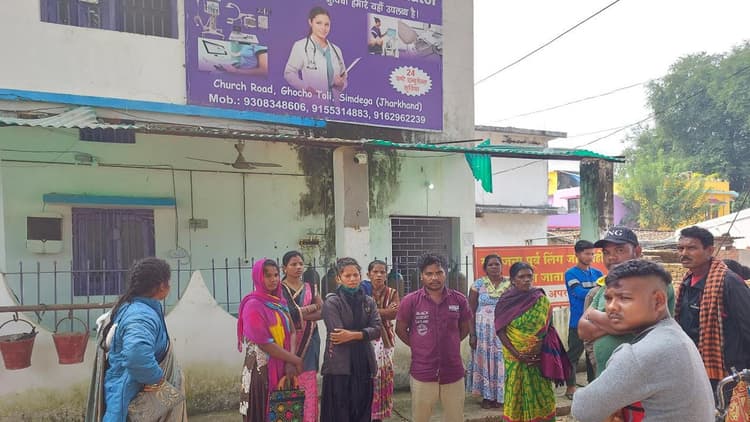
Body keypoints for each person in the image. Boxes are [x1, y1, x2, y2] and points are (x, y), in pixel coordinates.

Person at [572, 259, 715, 421]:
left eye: (624, 298)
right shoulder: (674, 335)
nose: (611, 307)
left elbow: (583, 409)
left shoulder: (642, 353)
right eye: (609, 298)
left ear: (658, 301)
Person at [86, 257, 187, 422]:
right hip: (131, 398)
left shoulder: (135, 308)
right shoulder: (141, 315)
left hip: (127, 394)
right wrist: (157, 380)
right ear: (162, 285)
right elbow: (136, 355)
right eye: (168, 282)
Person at [578, 227, 676, 377]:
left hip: (641, 375)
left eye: (619, 250)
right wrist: (618, 323)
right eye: (606, 252)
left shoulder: (655, 282)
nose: (611, 257)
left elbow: (630, 323)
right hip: (606, 374)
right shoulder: (606, 287)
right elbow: (582, 330)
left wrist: (593, 316)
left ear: (637, 251)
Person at [395, 253, 472, 422]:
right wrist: (418, 344)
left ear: (445, 273)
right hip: (423, 371)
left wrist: (450, 343)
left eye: (439, 273)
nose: (434, 278)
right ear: (421, 276)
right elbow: (400, 329)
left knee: (455, 417)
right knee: (420, 417)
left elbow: (465, 328)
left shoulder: (459, 300)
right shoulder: (410, 301)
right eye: (429, 274)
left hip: (453, 371)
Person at [675, 226, 750, 393]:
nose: (684, 253)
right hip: (695, 367)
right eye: (680, 248)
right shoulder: (686, 282)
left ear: (709, 250)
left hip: (727, 373)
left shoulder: (729, 282)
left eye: (691, 248)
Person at [237, 259, 302, 421]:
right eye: (267, 276)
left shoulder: (280, 302)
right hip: (262, 370)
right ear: (258, 277)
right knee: (263, 412)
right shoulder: (253, 305)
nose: (273, 279)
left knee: (283, 412)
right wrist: (294, 359)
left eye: (276, 275)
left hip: (283, 366)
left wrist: (290, 361)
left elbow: (292, 332)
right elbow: (264, 343)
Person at [320, 257, 382, 422]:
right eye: (347, 276)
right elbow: (338, 334)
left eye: (356, 275)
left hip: (364, 363)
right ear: (338, 279)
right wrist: (365, 334)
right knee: (339, 413)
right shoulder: (332, 302)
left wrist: (353, 335)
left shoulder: (368, 301)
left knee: (362, 411)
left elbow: (377, 329)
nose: (353, 279)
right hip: (340, 366)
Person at [494, 262, 556, 422]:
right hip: (514, 357)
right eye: (521, 277)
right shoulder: (506, 301)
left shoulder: (541, 299)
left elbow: (548, 327)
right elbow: (500, 330)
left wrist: (538, 347)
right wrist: (518, 354)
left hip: (537, 357)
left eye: (529, 276)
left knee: (541, 392)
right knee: (516, 392)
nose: (527, 280)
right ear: (513, 280)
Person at [279, 251, 323, 422]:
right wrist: (311, 308)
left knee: (308, 382)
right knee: (285, 383)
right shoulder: (279, 289)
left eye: (300, 264)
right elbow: (283, 314)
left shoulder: (311, 288)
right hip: (285, 343)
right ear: (284, 268)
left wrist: (298, 313)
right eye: (293, 264)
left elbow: (322, 311)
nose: (298, 267)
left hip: (309, 341)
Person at [466, 254, 510, 409]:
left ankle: (500, 396)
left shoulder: (510, 284)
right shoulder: (478, 285)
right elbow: (470, 311)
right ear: (485, 268)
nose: (494, 267)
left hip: (503, 330)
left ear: (501, 266)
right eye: (490, 264)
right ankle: (486, 396)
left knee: (501, 361)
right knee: (484, 362)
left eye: (497, 264)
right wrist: (472, 334)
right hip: (482, 332)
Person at [563, 240, 602, 398]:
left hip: (596, 321)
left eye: (592, 254)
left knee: (593, 354)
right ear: (577, 254)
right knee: (573, 355)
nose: (590, 257)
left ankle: (593, 385)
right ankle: (571, 387)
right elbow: (579, 293)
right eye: (587, 254)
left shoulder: (598, 273)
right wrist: (597, 291)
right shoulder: (570, 274)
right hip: (577, 322)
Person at [284, 6, 347, 102]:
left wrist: (341, 84)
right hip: (312, 104)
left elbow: (344, 77)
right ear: (310, 22)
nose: (323, 28)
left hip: (334, 107)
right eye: (319, 23)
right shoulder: (300, 46)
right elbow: (289, 73)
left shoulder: (336, 50)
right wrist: (305, 87)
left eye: (327, 24)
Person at [368, 259, 400, 422]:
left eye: (382, 272)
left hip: (386, 339)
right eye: (375, 272)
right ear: (368, 274)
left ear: (386, 275)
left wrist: (372, 310)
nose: (379, 275)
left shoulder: (392, 292)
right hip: (366, 339)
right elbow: (360, 312)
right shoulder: (362, 291)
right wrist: (384, 311)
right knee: (369, 376)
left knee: (384, 375)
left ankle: (379, 414)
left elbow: (394, 313)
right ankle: (366, 412)